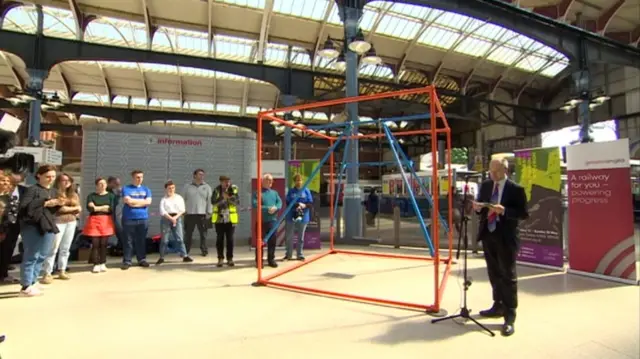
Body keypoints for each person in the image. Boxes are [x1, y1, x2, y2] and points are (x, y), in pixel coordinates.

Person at [472, 158, 528, 337]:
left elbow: (523, 213)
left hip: (506, 237)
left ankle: (510, 315)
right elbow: (480, 206)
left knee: (508, 275)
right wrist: (478, 207)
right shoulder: (487, 185)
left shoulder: (516, 189)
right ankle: (497, 305)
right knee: (494, 272)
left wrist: (504, 211)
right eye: (490, 171)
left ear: (505, 170)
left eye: (496, 171)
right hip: (489, 235)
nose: (493, 175)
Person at [17, 165, 60, 297]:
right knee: (32, 255)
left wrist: (57, 204)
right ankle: (25, 285)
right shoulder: (32, 190)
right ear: (39, 176)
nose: (50, 179)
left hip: (47, 224)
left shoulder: (53, 191)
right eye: (47, 176)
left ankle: (33, 281)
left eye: (53, 176)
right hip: (32, 226)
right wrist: (44, 203)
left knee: (42, 255)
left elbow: (52, 211)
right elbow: (24, 208)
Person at [40, 173, 81, 283]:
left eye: (69, 180)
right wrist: (73, 208)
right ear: (58, 181)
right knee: (53, 248)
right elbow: (60, 210)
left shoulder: (73, 194)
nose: (66, 182)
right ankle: (47, 272)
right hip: (58, 222)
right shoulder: (54, 193)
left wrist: (73, 209)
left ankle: (62, 269)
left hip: (71, 222)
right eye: (63, 180)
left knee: (65, 248)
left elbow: (79, 208)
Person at [84, 178, 117, 273]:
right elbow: (90, 208)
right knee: (95, 243)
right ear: (96, 185)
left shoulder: (111, 195)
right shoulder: (91, 195)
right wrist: (103, 207)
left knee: (104, 243)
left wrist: (96, 207)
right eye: (100, 183)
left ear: (106, 185)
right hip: (94, 220)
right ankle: (96, 263)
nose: (102, 185)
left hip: (106, 220)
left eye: (104, 183)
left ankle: (103, 263)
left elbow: (110, 208)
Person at [121, 170, 152, 270]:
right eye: (137, 177)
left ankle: (141, 259)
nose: (140, 179)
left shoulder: (146, 189)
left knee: (141, 240)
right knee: (128, 240)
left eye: (141, 177)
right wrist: (141, 202)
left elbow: (148, 202)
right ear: (133, 178)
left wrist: (135, 203)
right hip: (129, 218)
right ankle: (127, 260)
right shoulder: (126, 188)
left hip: (143, 218)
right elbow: (128, 201)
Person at [157, 180, 192, 265]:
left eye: (173, 188)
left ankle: (185, 255)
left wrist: (175, 218)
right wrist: (171, 218)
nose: (171, 189)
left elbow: (182, 209)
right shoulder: (163, 199)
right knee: (165, 240)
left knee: (180, 238)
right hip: (166, 219)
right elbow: (162, 211)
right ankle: (162, 257)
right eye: (169, 188)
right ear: (166, 189)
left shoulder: (179, 198)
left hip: (177, 218)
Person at [252, 173, 281, 268]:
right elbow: (255, 204)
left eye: (270, 180)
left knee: (272, 241)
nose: (269, 182)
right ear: (262, 181)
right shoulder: (257, 193)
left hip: (272, 221)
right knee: (260, 241)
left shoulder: (275, 193)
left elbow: (279, 202)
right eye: (267, 180)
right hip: (261, 221)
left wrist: (275, 207)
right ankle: (259, 261)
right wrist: (268, 208)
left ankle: (271, 259)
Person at [183, 169, 212, 257]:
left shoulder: (207, 187)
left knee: (203, 234)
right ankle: (186, 251)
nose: (201, 176)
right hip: (189, 214)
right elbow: (182, 199)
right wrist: (183, 211)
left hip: (202, 214)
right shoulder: (187, 186)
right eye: (199, 174)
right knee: (188, 233)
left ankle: (204, 249)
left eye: (203, 175)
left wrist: (209, 212)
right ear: (194, 175)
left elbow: (210, 200)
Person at [284, 173, 313, 261]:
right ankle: (288, 254)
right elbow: (288, 202)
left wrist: (304, 205)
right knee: (289, 236)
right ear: (294, 181)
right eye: (297, 180)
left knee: (301, 237)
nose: (299, 182)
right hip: (291, 216)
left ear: (302, 181)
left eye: (300, 180)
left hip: (303, 216)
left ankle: (299, 254)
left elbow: (310, 203)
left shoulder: (306, 191)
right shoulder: (291, 191)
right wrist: (297, 204)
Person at [211, 175, 239, 267]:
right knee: (220, 239)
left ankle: (230, 258)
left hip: (230, 219)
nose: (227, 183)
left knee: (230, 239)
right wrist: (222, 198)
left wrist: (229, 198)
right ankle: (220, 259)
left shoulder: (233, 190)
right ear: (221, 182)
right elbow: (213, 202)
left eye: (228, 181)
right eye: (225, 182)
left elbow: (237, 202)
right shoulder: (216, 190)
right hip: (219, 219)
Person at [0, 172, 19, 283]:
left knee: (5, 253)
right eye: (3, 180)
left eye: (8, 181)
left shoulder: (12, 198)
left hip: (7, 231)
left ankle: (4, 274)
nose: (6, 183)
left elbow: (12, 216)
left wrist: (4, 231)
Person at [107, 176, 124, 252]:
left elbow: (115, 203)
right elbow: (112, 203)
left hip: (113, 214)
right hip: (107, 215)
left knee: (119, 231)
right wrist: (118, 195)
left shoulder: (112, 191)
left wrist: (118, 194)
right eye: (116, 183)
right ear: (110, 183)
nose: (117, 185)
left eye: (118, 184)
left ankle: (120, 247)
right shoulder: (107, 191)